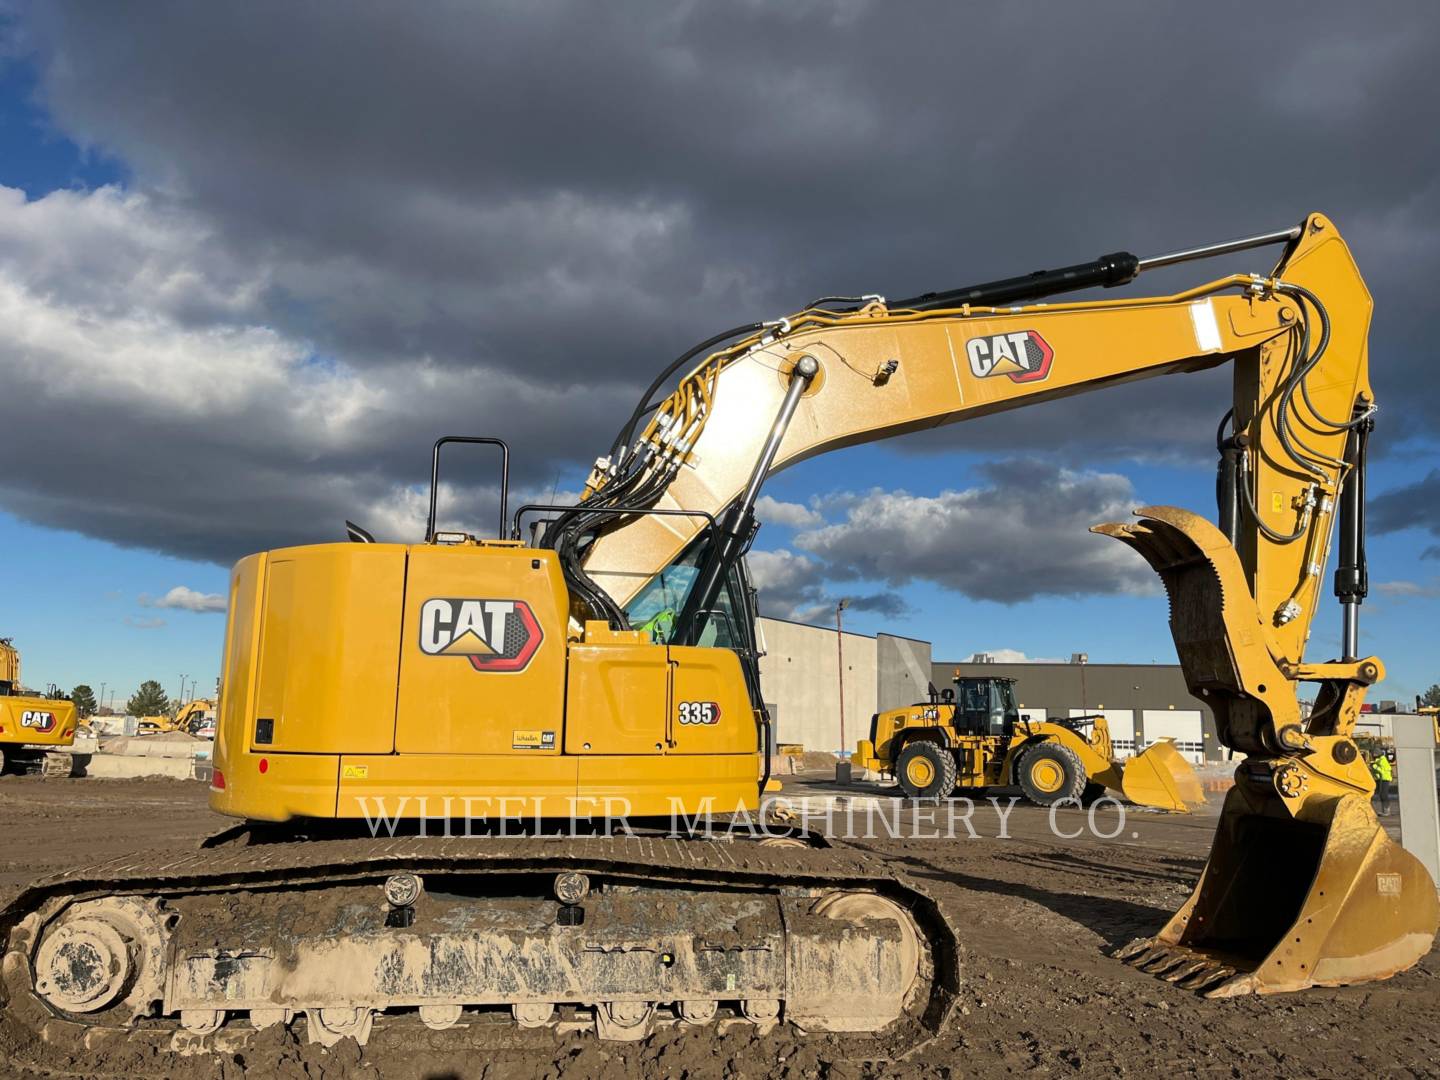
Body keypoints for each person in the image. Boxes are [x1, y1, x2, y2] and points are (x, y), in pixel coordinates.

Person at [1371, 749, 1394, 816]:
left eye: (1374, 754)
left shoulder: (1382, 761)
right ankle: (1384, 810)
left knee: (1384, 795)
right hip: (1381, 779)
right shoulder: (1379, 760)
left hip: (1384, 779)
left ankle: (1386, 811)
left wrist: (1375, 767)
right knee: (1381, 795)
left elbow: (1382, 771)